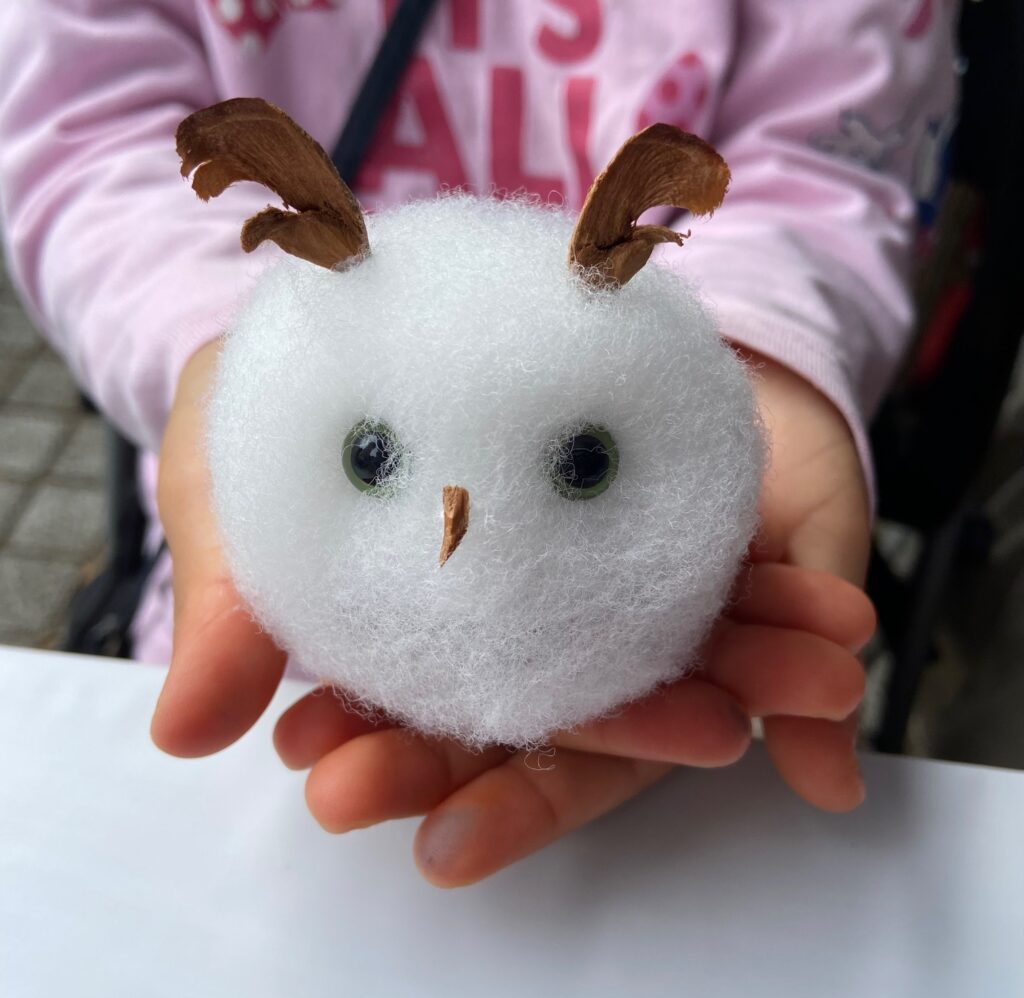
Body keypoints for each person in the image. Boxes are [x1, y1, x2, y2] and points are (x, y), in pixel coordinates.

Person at [0, 0, 954, 886]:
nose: (459, 528)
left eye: (584, 465)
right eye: (370, 459)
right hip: (248, 649)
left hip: (690, 769)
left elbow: (833, 153)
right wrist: (222, 338)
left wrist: (760, 349)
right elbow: (80, 129)